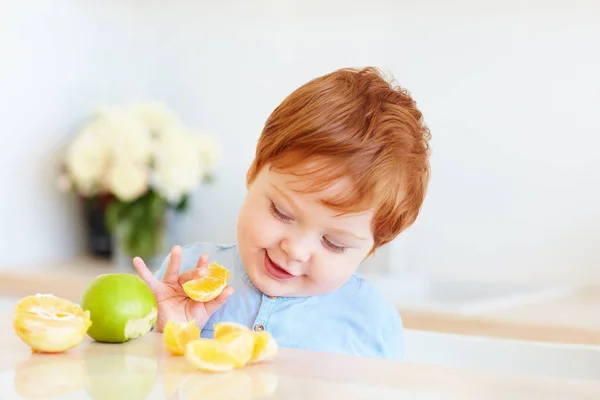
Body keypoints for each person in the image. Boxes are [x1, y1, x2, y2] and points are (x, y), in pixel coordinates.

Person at [133, 66, 431, 361]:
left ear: (372, 248)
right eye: (281, 212)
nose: (296, 250)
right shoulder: (185, 276)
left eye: (334, 243)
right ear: (253, 172)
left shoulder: (373, 325)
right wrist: (164, 335)